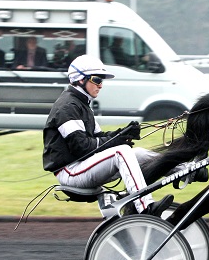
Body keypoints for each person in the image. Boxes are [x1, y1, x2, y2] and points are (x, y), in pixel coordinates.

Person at [42, 54, 173, 217]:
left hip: (83, 167)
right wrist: (116, 141)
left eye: (101, 80)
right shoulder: (67, 107)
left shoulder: (81, 104)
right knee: (121, 152)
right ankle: (145, 206)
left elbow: (99, 136)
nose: (101, 85)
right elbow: (82, 147)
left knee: (136, 153)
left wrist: (122, 134)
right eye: (97, 80)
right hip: (70, 172)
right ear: (80, 79)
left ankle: (182, 168)